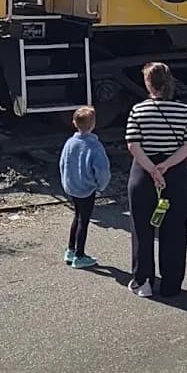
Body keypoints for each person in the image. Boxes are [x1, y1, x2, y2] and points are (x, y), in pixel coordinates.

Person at [125, 63, 187, 299]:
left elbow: (133, 145)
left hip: (143, 173)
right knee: (175, 230)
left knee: (142, 230)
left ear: (148, 84)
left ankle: (143, 282)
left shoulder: (137, 110)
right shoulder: (185, 111)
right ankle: (171, 286)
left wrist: (152, 170)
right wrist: (166, 166)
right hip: (174, 174)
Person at [59, 106, 111, 269]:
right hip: (87, 189)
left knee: (77, 216)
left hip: (72, 187)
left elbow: (62, 163)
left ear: (74, 123)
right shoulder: (95, 147)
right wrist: (101, 186)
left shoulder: (70, 143)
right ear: (93, 124)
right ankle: (79, 256)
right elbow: (102, 170)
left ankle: (70, 249)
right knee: (84, 220)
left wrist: (66, 182)